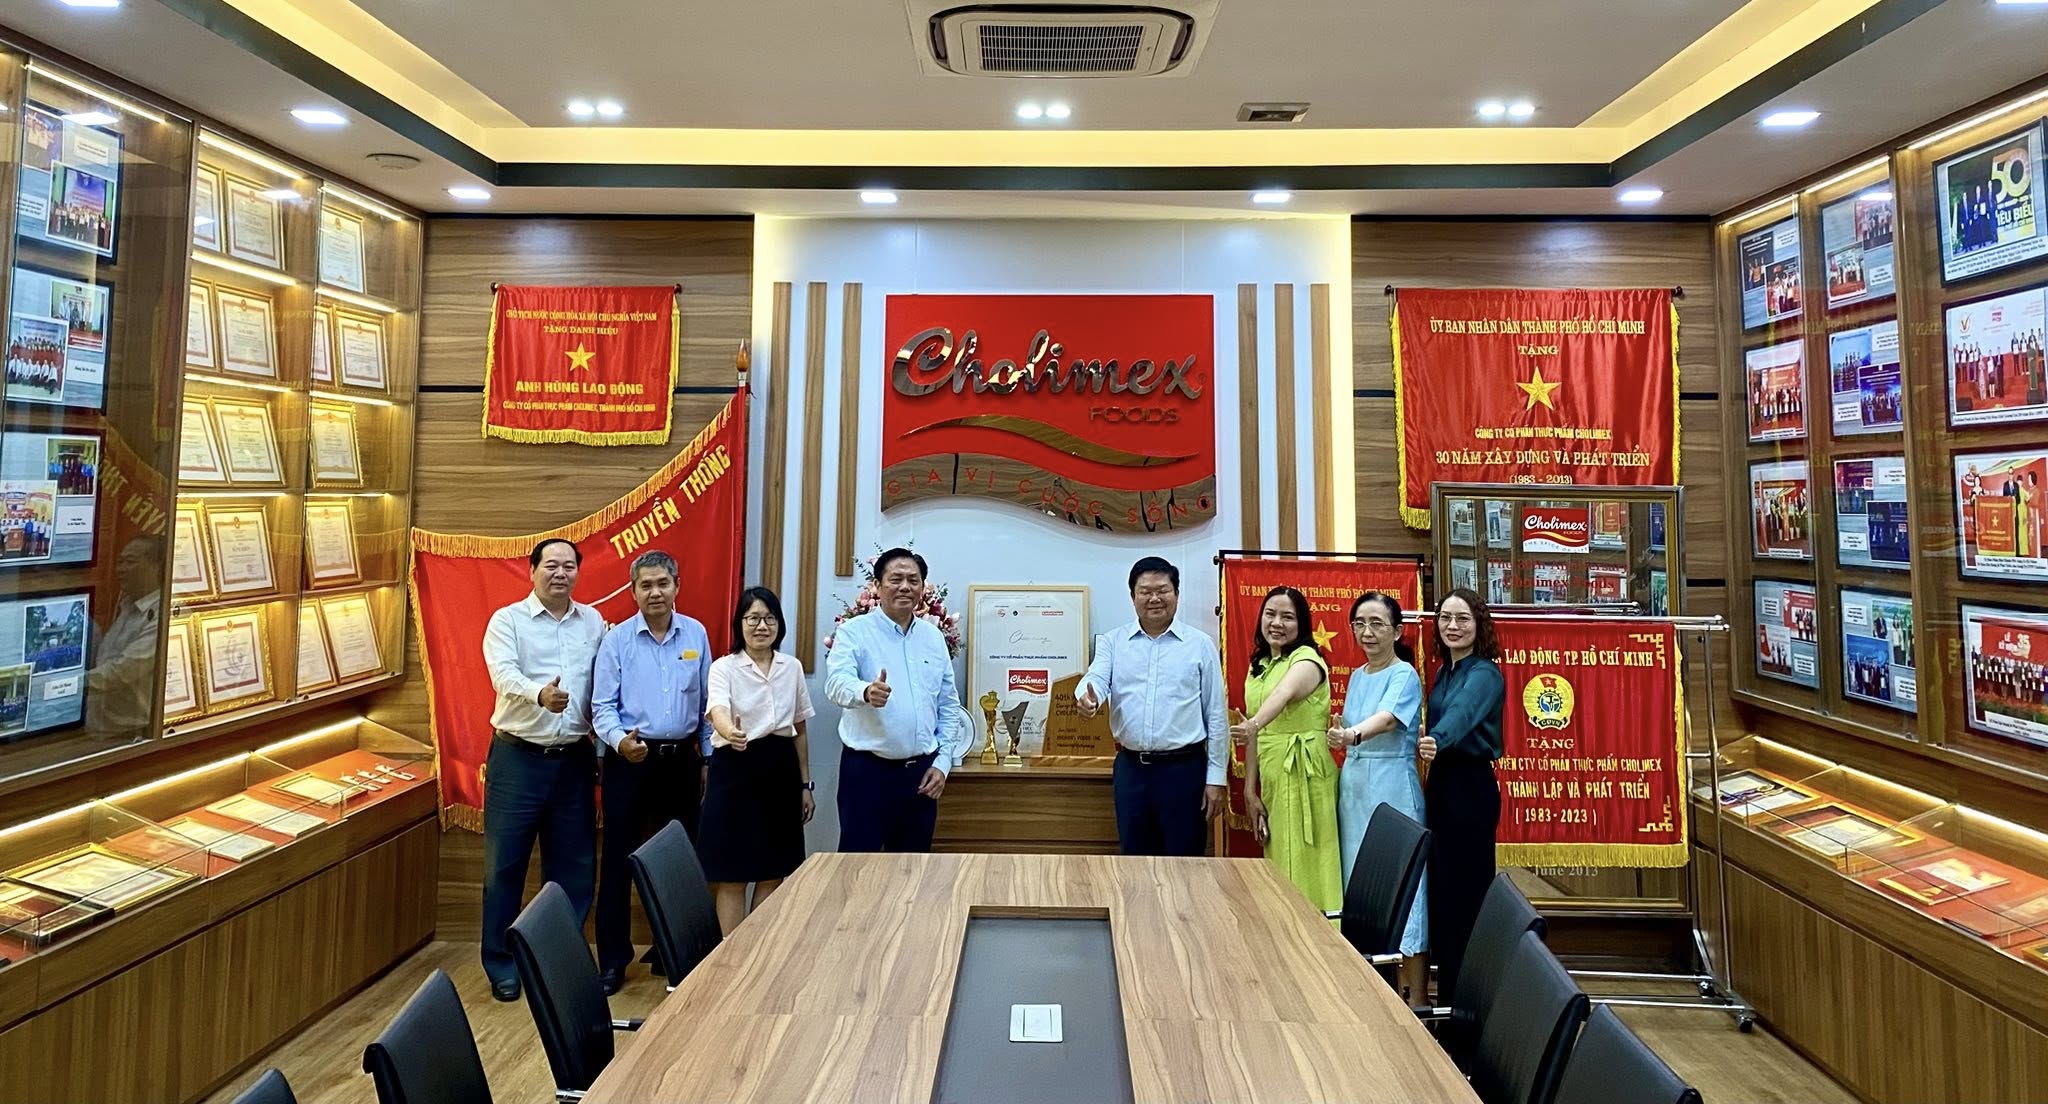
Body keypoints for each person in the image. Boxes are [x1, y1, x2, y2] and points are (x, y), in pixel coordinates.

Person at [480, 537, 605, 1002]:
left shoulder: (593, 622)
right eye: (550, 565)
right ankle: (502, 964)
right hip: (518, 759)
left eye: (569, 566)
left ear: (578, 573)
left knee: (574, 868)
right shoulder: (507, 621)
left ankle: (559, 962)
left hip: (573, 760)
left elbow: (603, 684)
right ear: (531, 571)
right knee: (504, 867)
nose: (560, 573)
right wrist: (539, 695)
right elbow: (502, 675)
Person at [590, 550, 714, 992]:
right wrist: (619, 741)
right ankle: (613, 960)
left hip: (681, 762)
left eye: (663, 583)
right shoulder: (617, 641)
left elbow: (706, 706)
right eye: (646, 585)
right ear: (634, 591)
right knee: (617, 860)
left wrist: (707, 758)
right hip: (630, 758)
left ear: (677, 585)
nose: (655, 592)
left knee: (679, 860)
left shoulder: (696, 634)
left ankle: (672, 950)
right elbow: (601, 707)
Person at [1076, 556, 1229, 856]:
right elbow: (1096, 678)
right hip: (1131, 770)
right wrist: (1087, 697)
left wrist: (1216, 779)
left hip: (1184, 771)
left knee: (1185, 862)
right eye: (1145, 591)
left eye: (1163, 590)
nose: (1154, 598)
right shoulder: (1113, 642)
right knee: (1135, 860)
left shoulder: (1200, 645)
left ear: (1177, 594)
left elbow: (1216, 715)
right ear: (1133, 596)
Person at [823, 547, 967, 852]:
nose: (905, 587)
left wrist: (943, 763)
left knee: (913, 869)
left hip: (921, 775)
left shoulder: (933, 637)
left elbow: (948, 706)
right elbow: (835, 684)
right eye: (895, 579)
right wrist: (865, 691)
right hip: (867, 774)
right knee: (858, 867)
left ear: (922, 588)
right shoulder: (854, 632)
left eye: (913, 580)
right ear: (877, 585)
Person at [1327, 590, 1430, 997]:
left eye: (1376, 624)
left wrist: (1350, 735)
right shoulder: (1356, 675)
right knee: (1362, 888)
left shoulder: (1404, 674)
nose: (1367, 632)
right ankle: (1372, 993)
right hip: (1354, 794)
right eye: (1359, 624)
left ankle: (1416, 998)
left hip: (1392, 790)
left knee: (1406, 893)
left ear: (1397, 631)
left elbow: (1387, 720)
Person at [702, 587, 815, 934]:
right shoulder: (724, 667)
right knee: (731, 873)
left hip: (779, 770)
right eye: (753, 618)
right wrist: (731, 731)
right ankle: (729, 953)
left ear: (779, 624)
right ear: (740, 624)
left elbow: (799, 728)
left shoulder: (791, 667)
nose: (761, 626)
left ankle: (757, 949)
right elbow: (717, 709)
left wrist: (805, 785)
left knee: (773, 869)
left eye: (769, 618)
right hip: (734, 768)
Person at [1233, 586, 1341, 911]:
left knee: (1310, 859)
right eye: (1270, 614)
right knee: (1279, 855)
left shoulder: (1307, 659)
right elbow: (1255, 727)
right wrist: (1250, 791)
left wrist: (1253, 725)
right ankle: (1283, 926)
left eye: (1287, 617)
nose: (1277, 623)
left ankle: (1318, 929)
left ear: (1301, 624)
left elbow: (1281, 696)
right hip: (1272, 772)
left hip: (1304, 771)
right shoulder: (1260, 664)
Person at [1423, 587, 1506, 1001]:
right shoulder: (1444, 671)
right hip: (1442, 783)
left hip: (1470, 788)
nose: (1452, 626)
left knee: (1467, 895)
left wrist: (1437, 738)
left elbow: (1463, 713)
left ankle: (1470, 1003)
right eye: (1445, 618)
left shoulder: (1485, 673)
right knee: (1443, 892)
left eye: (1462, 619)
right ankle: (1448, 996)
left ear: (1479, 625)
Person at [85, 535, 159, 743]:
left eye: (130, 561)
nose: (121, 569)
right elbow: (106, 658)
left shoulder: (162, 613)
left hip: (129, 737)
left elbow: (122, 670)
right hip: (99, 730)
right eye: (120, 562)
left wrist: (66, 685)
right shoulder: (128, 605)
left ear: (157, 566)